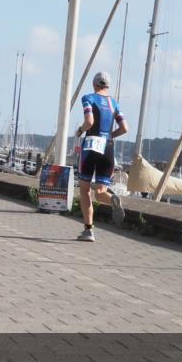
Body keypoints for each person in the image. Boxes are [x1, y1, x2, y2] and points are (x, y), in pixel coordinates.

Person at [74, 71, 128, 242]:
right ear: (108, 85)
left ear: (94, 84)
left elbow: (89, 122)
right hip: (108, 147)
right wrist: (110, 135)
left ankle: (88, 230)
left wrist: (81, 130)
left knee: (85, 189)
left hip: (91, 146)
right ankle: (112, 198)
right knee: (100, 192)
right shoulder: (114, 103)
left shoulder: (88, 98)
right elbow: (125, 128)